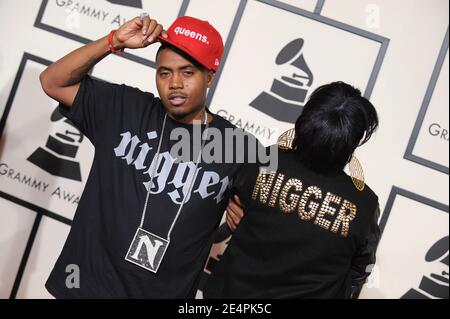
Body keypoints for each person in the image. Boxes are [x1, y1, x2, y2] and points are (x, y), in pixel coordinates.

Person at [40, 14, 251, 298]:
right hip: (86, 288)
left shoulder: (237, 146)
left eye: (187, 72)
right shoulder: (124, 108)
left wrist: (247, 214)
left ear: (209, 77)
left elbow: (266, 215)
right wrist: (113, 41)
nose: (175, 83)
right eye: (164, 73)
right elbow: (53, 81)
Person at [204, 81, 381, 299]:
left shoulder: (262, 160)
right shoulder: (364, 203)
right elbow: (358, 271)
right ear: (353, 142)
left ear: (304, 121)